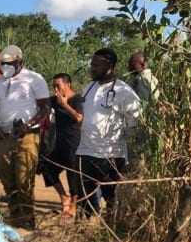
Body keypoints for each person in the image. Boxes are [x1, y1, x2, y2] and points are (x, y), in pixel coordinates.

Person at [0, 45, 50, 229]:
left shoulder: (34, 79)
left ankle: (28, 220)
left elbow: (45, 107)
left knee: (24, 181)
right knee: (8, 181)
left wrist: (28, 125)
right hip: (3, 138)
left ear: (19, 62)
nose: (5, 66)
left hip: (27, 137)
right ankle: (15, 216)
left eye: (9, 63)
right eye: (2, 63)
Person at [75, 48, 142, 216]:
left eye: (96, 65)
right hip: (85, 152)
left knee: (111, 198)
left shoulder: (123, 91)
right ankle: (83, 229)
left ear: (109, 66)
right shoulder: (88, 87)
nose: (92, 68)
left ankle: (111, 230)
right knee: (85, 199)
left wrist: (127, 137)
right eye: (91, 64)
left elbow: (136, 118)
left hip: (111, 155)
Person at [40, 73, 83, 217]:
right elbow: (40, 103)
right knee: (47, 167)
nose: (55, 89)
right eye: (53, 86)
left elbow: (78, 118)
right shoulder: (55, 100)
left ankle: (74, 206)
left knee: (72, 174)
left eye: (58, 86)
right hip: (59, 143)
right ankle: (64, 197)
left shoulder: (77, 99)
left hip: (74, 143)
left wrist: (65, 105)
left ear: (67, 85)